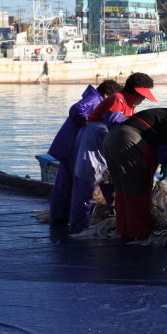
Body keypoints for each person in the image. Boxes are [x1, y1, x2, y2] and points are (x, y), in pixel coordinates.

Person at [70, 72, 155, 234]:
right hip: (92, 147)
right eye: (143, 96)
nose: (144, 99)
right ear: (135, 92)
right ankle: (77, 229)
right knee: (85, 189)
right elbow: (117, 125)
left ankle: (120, 223)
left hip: (108, 148)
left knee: (113, 189)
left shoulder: (130, 106)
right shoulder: (117, 99)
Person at [104, 100, 167, 241]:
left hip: (111, 137)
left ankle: (123, 231)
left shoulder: (160, 113)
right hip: (129, 140)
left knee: (122, 189)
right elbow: (166, 147)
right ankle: (139, 234)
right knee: (138, 190)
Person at [47, 80, 122, 225]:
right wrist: (88, 124)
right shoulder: (95, 100)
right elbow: (76, 109)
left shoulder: (96, 100)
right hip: (74, 148)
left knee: (64, 185)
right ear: (107, 95)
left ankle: (58, 219)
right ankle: (70, 221)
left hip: (69, 147)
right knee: (73, 186)